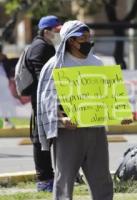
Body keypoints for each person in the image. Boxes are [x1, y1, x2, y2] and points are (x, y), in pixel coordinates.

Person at [37, 20, 132, 200]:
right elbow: (47, 99)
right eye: (83, 37)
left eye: (89, 37)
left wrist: (121, 113)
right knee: (64, 178)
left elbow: (109, 92)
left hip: (96, 129)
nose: (88, 41)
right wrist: (61, 119)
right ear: (71, 40)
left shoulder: (97, 63)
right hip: (68, 132)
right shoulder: (56, 65)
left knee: (102, 178)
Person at [25, 15, 61, 192]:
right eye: (56, 30)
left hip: (44, 99)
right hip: (42, 100)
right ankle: (45, 179)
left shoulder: (45, 45)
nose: (58, 33)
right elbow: (42, 77)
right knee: (41, 139)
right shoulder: (41, 47)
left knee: (47, 138)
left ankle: (49, 176)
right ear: (46, 31)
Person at [0, 43, 15, 128]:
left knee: (5, 103)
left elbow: (9, 71)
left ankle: (6, 121)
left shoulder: (4, 61)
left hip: (3, 86)